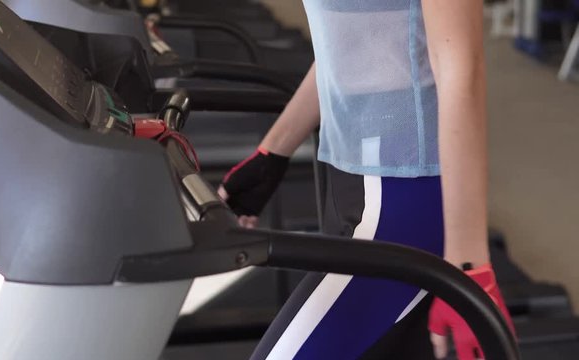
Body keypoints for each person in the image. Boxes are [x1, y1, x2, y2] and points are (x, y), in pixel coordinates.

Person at [218, 1, 515, 359]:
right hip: (347, 179)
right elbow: (362, 42)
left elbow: (461, 67)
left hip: (399, 199)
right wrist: (273, 151)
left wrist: (470, 268)